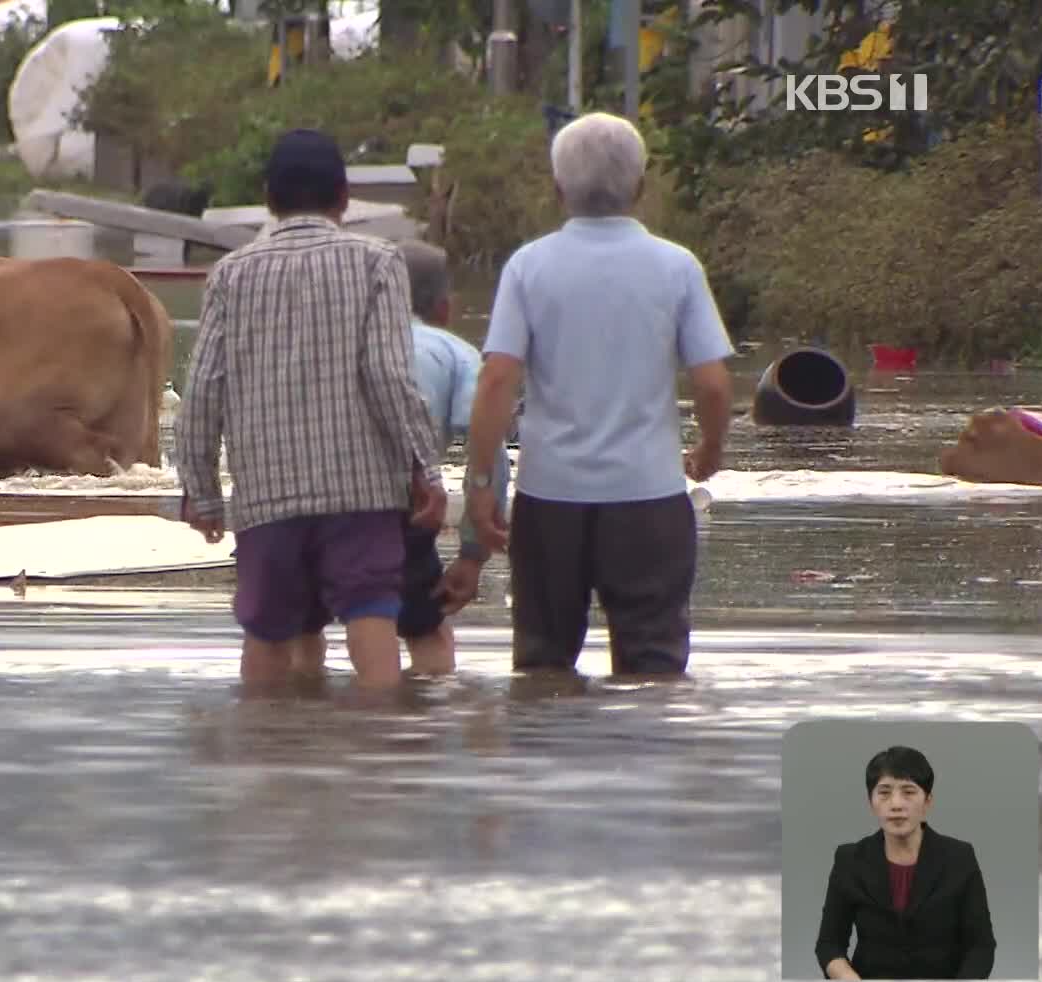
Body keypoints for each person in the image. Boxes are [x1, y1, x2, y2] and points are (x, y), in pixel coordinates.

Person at [458, 111, 735, 676]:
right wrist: (710, 448)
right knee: (654, 669)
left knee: (542, 667)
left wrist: (481, 483)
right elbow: (711, 382)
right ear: (640, 186)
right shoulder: (677, 267)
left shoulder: (528, 267)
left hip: (549, 500)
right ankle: (644, 765)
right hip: (650, 499)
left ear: (558, 189)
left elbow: (496, 382)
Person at [174, 128, 447, 693]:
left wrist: (200, 491)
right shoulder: (378, 263)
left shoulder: (232, 274)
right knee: (372, 609)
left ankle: (267, 756)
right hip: (363, 492)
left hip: (267, 498)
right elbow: (389, 375)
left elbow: (202, 390)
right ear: (344, 198)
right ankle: (383, 747)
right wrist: (425, 467)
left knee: (270, 633)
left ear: (268, 199)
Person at [389, 239, 512, 674]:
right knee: (428, 633)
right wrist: (473, 553)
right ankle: (422, 719)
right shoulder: (453, 352)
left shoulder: (342, 343)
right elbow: (488, 450)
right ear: (445, 307)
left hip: (320, 503)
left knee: (303, 633)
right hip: (402, 507)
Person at [815, 746, 996, 980]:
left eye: (908, 792)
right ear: (871, 802)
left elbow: (980, 947)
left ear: (928, 801)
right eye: (884, 793)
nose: (896, 804)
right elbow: (829, 944)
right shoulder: (849, 859)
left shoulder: (959, 857)